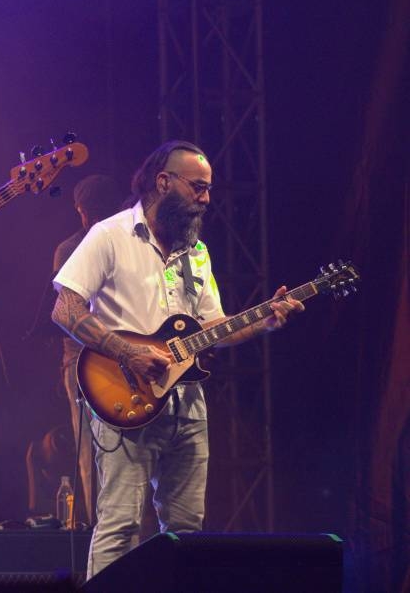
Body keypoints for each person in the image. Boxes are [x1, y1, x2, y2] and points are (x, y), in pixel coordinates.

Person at [51, 141, 304, 577]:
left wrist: (265, 320)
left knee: (186, 531)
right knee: (120, 526)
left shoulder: (196, 252)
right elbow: (66, 309)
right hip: (124, 401)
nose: (206, 198)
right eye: (198, 187)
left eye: (208, 190)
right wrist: (128, 352)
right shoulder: (110, 235)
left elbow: (213, 328)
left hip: (188, 406)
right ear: (163, 182)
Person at [51, 175, 125, 528]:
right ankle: (106, 535)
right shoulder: (75, 249)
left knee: (95, 456)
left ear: (80, 210)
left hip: (107, 360)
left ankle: (107, 536)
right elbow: (70, 309)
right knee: (98, 454)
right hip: (84, 363)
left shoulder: (70, 247)